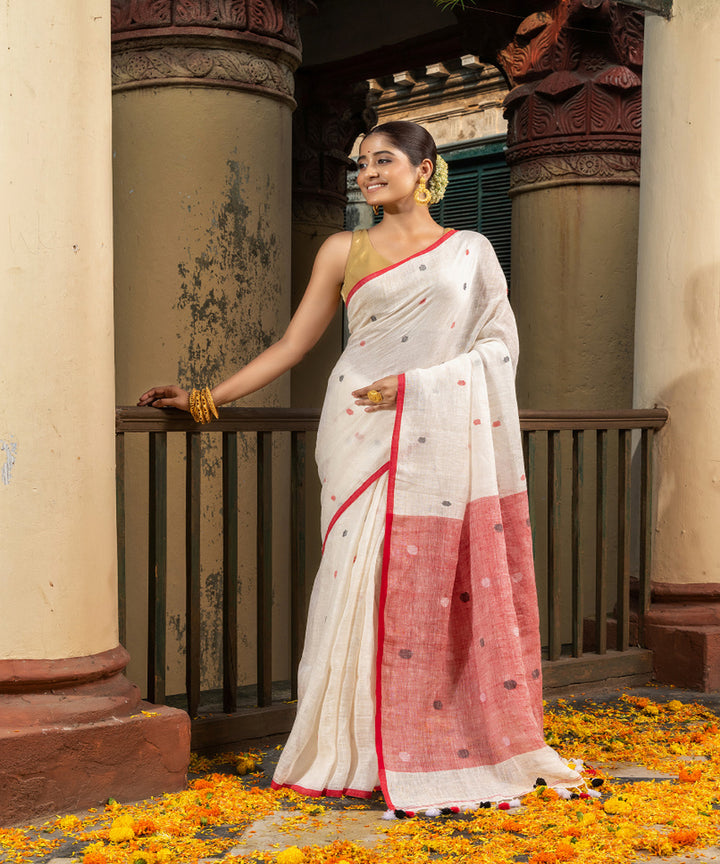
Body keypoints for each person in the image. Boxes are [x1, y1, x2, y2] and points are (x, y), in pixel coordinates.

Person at [138, 121, 581, 815]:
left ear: (424, 168)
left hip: (433, 424)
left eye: (383, 160)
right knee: (358, 579)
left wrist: (416, 389)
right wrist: (205, 396)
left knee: (424, 580)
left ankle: (424, 737)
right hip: (357, 427)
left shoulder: (471, 250)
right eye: (360, 163)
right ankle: (354, 748)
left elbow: (498, 347)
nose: (368, 173)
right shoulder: (343, 248)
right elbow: (294, 342)